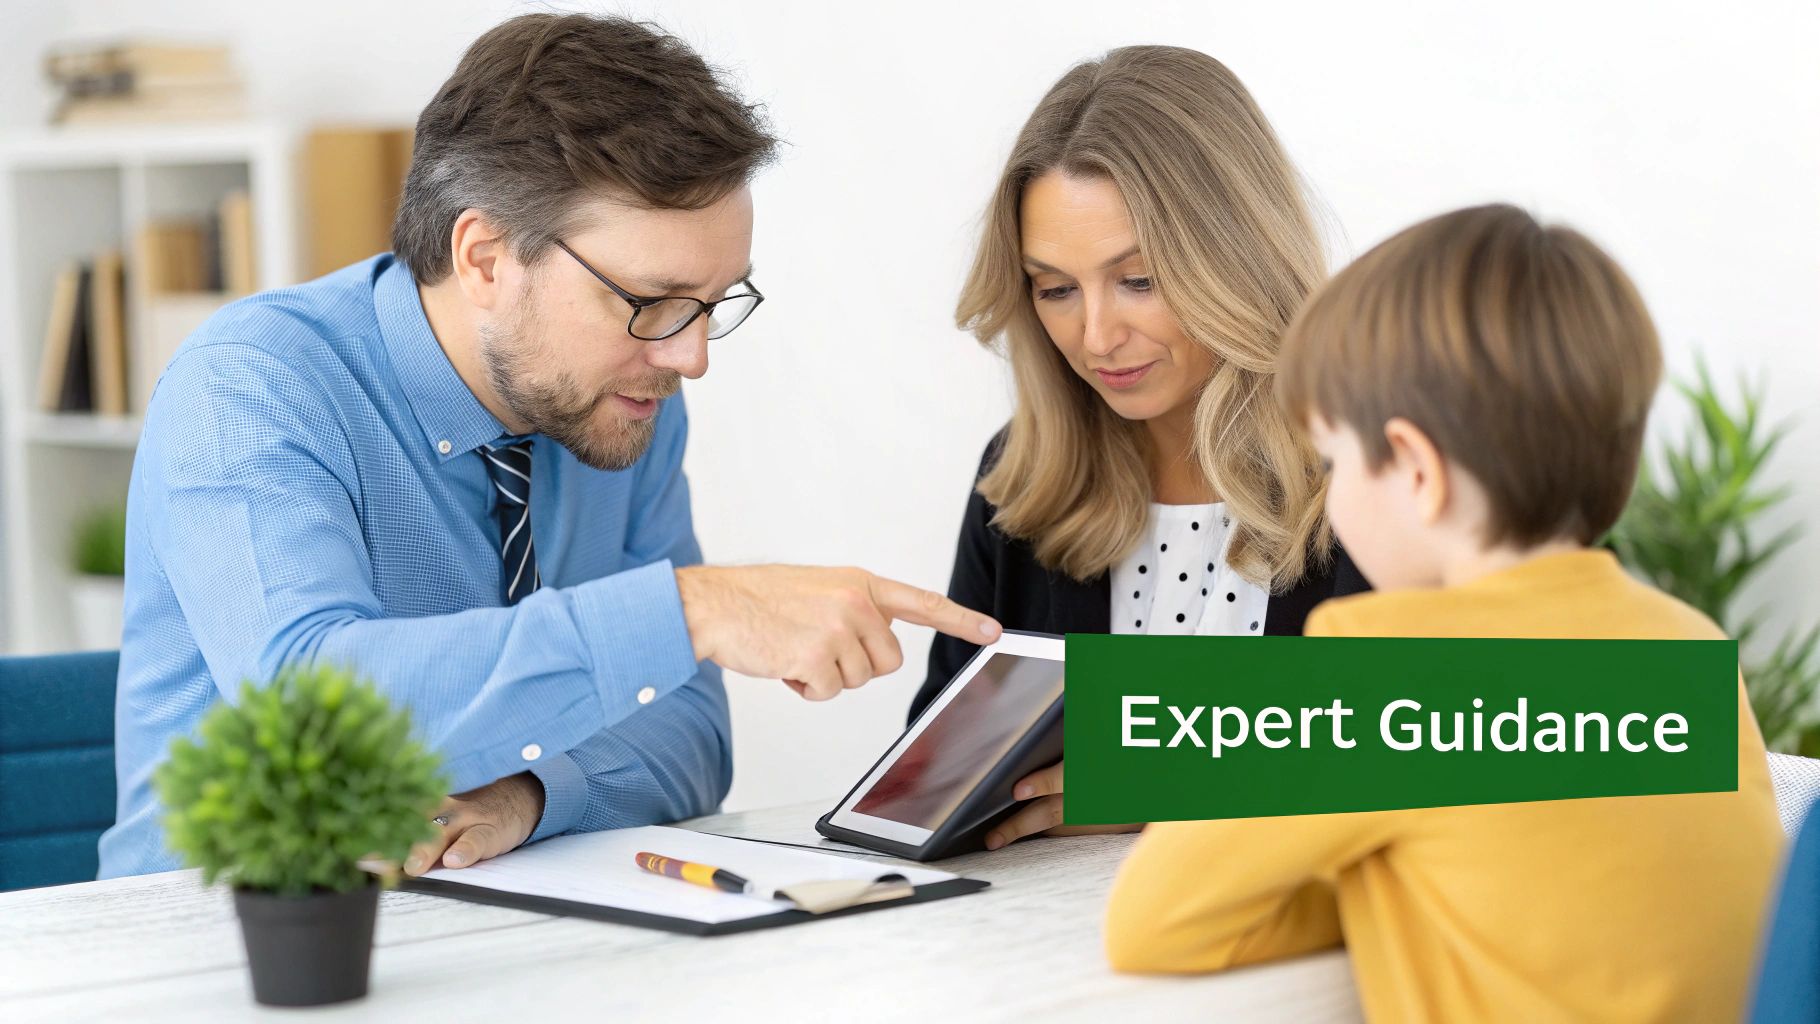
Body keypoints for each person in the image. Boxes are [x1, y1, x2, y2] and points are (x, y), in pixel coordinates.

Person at [99, 13, 999, 880]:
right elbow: (306, 711)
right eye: (651, 301)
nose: (688, 356)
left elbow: (692, 731)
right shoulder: (253, 385)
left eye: (713, 304)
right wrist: (687, 612)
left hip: (490, 935)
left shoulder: (626, 399)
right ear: (486, 257)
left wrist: (531, 791)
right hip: (214, 947)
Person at [1104, 204, 1783, 1021]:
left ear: (1418, 471)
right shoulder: (1688, 650)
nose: (1332, 491)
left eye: (1335, 461)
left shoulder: (1384, 676)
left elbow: (1151, 922)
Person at [913, 46, 1367, 849]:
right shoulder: (1019, 477)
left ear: (1236, 257)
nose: (1095, 337)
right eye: (1055, 288)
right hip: (1052, 952)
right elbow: (939, 772)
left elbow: (1490, 734)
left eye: (1140, 279)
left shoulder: (1384, 470)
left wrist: (1182, 787)